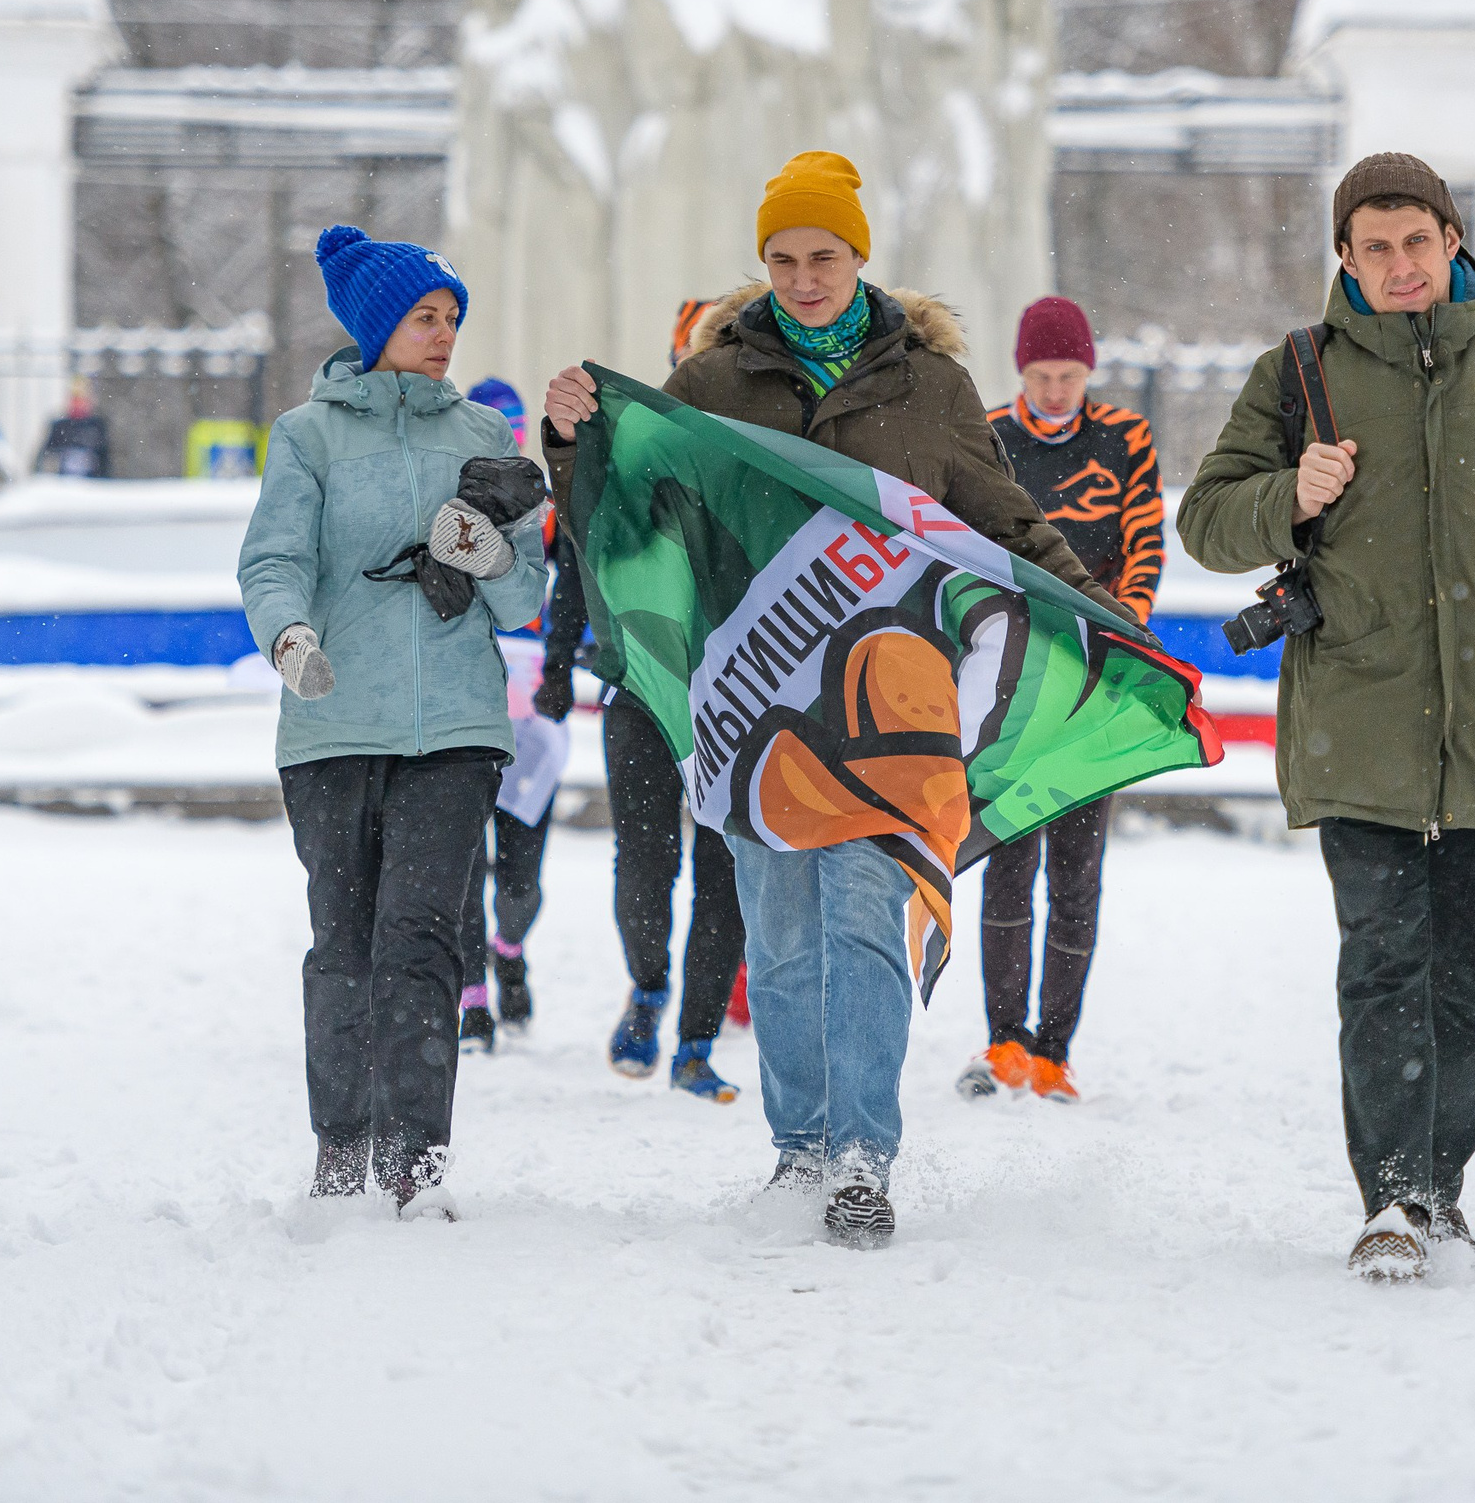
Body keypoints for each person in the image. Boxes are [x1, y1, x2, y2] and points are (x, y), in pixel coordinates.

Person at [542, 150, 1121, 1246]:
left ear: (859, 256)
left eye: (823, 257)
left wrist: (1097, 614)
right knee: (781, 936)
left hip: (890, 698)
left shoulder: (930, 385)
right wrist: (573, 441)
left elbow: (1002, 520)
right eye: (782, 259)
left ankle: (860, 1155)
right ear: (761, 263)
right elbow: (629, 517)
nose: (803, 279)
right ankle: (799, 1148)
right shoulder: (714, 384)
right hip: (755, 698)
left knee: (862, 918)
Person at [1177, 154, 1475, 1279]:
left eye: (1417, 242)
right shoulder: (1297, 373)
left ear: (1452, 240)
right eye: (1376, 247)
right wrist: (1286, 496)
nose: (1400, 265)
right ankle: (1392, 1199)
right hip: (1358, 725)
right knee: (1384, 971)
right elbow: (1206, 520)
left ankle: (1438, 1194)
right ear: (1345, 257)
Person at [239, 225, 549, 1211]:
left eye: (452, 317)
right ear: (378, 327)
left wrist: (491, 556)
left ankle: (415, 1161)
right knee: (343, 944)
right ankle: (341, 1151)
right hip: (332, 725)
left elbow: (525, 598)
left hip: (455, 730)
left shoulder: (485, 437)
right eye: (425, 317)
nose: (445, 334)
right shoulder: (309, 436)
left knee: (420, 940)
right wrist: (288, 635)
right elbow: (273, 558)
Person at [531, 314, 749, 1105]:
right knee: (647, 860)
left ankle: (696, 1043)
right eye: (694, 358)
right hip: (644, 691)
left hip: (738, 695)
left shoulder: (757, 460)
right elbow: (578, 560)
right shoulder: (635, 455)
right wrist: (559, 664)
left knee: (726, 870)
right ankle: (649, 986)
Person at [960, 295, 1163, 1106]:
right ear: (1021, 371)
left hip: (1098, 679)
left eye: (1069, 375)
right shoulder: (987, 436)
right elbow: (966, 541)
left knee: (1078, 869)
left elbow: (1145, 542)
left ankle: (1054, 1050)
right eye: (1042, 375)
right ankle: (1004, 1039)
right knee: (1008, 855)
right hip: (1013, 678)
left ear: (1089, 372)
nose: (1054, 390)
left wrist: (1122, 627)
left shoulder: (1125, 438)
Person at [453, 374, 562, 1056]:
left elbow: (575, 596)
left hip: (533, 720)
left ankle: (510, 949)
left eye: (514, 432)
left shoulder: (547, 512)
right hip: (462, 707)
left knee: (520, 877)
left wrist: (566, 663)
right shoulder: (449, 508)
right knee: (462, 866)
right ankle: (472, 1002)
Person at [35, 379, 111, 477]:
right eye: (75, 400)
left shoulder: (96, 426)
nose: (78, 404)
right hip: (62, 481)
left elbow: (105, 459)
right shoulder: (59, 426)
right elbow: (45, 455)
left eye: (81, 400)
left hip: (90, 481)